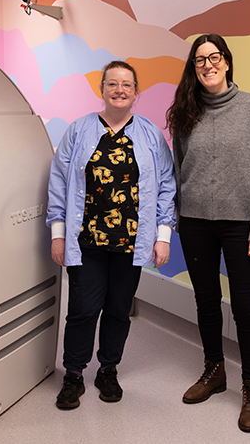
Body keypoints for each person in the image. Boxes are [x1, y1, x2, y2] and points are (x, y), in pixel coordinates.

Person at [47, 60, 176, 410]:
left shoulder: (150, 135)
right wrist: (58, 232)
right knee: (83, 309)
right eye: (112, 84)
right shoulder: (79, 131)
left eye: (127, 85)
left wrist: (162, 235)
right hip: (85, 239)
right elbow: (59, 181)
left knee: (119, 309)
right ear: (101, 89)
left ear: (136, 92)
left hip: (131, 241)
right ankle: (73, 373)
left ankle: (108, 369)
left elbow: (166, 185)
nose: (120, 90)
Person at [166, 34, 250, 432]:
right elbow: (178, 169)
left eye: (214, 57)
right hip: (194, 223)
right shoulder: (186, 111)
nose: (208, 65)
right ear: (194, 68)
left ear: (227, 62)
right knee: (206, 300)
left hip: (241, 225)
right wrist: (175, 216)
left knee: (246, 308)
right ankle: (214, 372)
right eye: (199, 60)